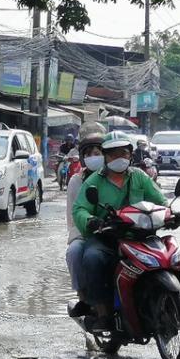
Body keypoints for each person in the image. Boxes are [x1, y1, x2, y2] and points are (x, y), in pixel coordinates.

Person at [73, 131, 169, 330]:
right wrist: (91, 221)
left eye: (123, 153)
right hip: (107, 237)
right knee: (92, 257)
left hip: (140, 236)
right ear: (105, 156)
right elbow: (79, 209)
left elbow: (160, 200)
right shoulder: (94, 181)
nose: (119, 157)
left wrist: (172, 213)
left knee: (171, 255)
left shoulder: (140, 177)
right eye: (113, 153)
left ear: (130, 155)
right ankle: (103, 314)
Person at [65, 133, 104, 317]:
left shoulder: (116, 176)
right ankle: (83, 297)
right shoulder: (77, 180)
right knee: (74, 252)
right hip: (85, 231)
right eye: (89, 154)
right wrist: (87, 225)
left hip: (115, 229)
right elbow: (73, 214)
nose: (93, 157)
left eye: (97, 153)